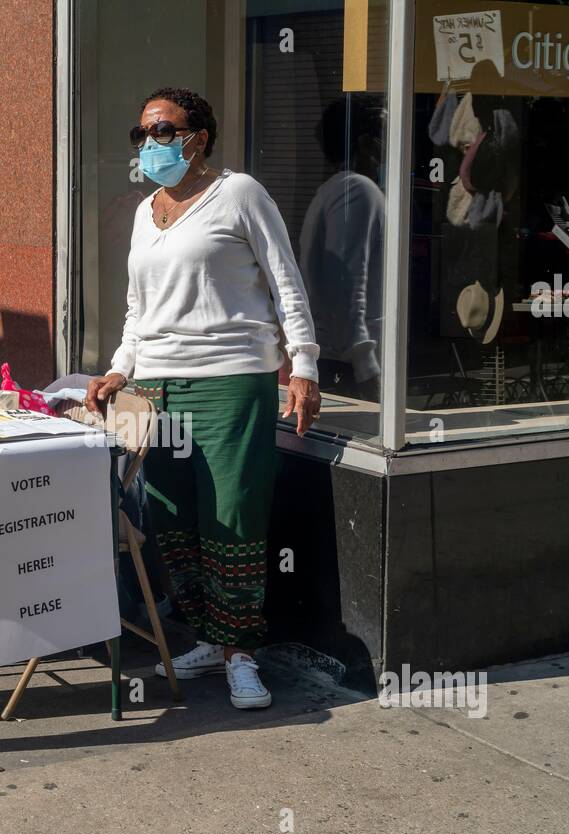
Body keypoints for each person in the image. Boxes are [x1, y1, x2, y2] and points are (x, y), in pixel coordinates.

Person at [86, 87, 321, 711]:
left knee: (232, 518)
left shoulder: (239, 194)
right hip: (154, 386)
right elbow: (140, 310)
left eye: (163, 130)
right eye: (141, 135)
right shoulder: (146, 211)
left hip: (230, 379)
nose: (150, 144)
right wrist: (117, 370)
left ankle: (242, 652)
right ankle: (209, 640)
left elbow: (285, 279)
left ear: (201, 136)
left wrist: (304, 366)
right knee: (171, 519)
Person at [299, 99, 385, 401]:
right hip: (349, 364)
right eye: (380, 139)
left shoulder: (336, 190)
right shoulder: (358, 191)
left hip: (339, 358)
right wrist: (366, 367)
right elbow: (345, 284)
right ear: (363, 143)